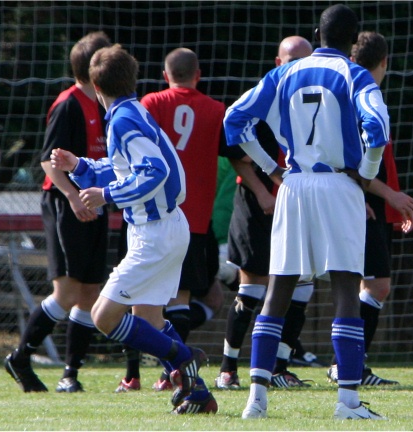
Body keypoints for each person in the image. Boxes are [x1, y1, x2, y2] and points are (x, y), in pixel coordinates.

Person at [225, 4, 390, 420]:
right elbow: (378, 128)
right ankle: (348, 402)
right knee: (345, 288)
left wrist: (270, 168)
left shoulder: (284, 73)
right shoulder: (355, 75)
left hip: (294, 184)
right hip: (339, 184)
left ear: (317, 33)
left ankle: (255, 399)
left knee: (278, 287)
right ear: (355, 41)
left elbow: (234, 118)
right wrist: (366, 175)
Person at [48, 44, 215, 415]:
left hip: (154, 233)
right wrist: (80, 166)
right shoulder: (131, 111)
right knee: (150, 321)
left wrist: (105, 194)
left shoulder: (122, 119)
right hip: (163, 228)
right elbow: (125, 165)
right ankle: (199, 394)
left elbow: (155, 171)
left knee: (104, 317)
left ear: (94, 85)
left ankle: (186, 359)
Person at [113, 47, 245, 395]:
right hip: (194, 217)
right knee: (179, 298)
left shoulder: (150, 104)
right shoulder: (216, 110)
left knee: (133, 297)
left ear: (164, 74)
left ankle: (135, 374)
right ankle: (170, 371)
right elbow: (234, 155)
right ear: (198, 74)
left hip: (150, 215)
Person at [4, 31, 113, 394]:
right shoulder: (68, 104)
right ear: (95, 67)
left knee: (90, 291)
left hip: (91, 203)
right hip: (65, 204)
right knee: (66, 292)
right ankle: (20, 356)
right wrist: (72, 196)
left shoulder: (104, 104)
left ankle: (70, 374)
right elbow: (48, 163)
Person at [215, 35, 324, 392]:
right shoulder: (261, 98)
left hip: (298, 204)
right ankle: (228, 368)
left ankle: (279, 365)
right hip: (259, 204)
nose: (298, 66)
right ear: (278, 63)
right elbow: (233, 150)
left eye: (305, 60)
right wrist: (264, 189)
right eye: (291, 60)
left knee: (303, 284)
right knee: (252, 287)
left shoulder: (317, 100)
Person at [326, 31, 413, 386]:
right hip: (359, 202)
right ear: (385, 62)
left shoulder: (356, 91)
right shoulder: (360, 95)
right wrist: (386, 196)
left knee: (371, 285)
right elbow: (352, 163)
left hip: (369, 202)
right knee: (369, 285)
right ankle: (346, 367)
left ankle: (349, 365)